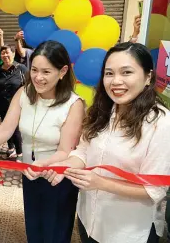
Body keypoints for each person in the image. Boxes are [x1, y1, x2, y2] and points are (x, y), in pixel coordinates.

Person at [44, 42, 170, 243]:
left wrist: (101, 183)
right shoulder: (102, 110)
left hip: (126, 231)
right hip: (89, 219)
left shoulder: (161, 124)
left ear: (148, 77)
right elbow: (83, 151)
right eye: (109, 73)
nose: (116, 81)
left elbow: (153, 190)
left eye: (126, 72)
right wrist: (64, 166)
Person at [0, 40, 85, 243]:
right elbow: (5, 130)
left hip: (57, 176)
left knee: (54, 233)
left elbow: (64, 150)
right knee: (34, 228)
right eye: (34, 70)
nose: (38, 78)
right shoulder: (23, 93)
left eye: (46, 72)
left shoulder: (73, 104)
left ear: (63, 71)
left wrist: (42, 165)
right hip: (30, 172)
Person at [0, 44, 27, 160]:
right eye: (2, 53)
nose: (5, 55)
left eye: (7, 52)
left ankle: (20, 153)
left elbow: (28, 86)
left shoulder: (21, 68)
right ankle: (11, 147)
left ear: (13, 53)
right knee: (5, 125)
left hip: (18, 105)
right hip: (3, 103)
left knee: (15, 128)